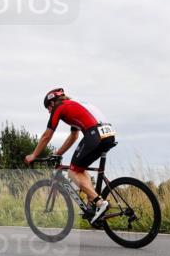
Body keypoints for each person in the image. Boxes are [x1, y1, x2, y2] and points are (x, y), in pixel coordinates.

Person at [24, 88, 116, 224]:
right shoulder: (73, 105)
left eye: (48, 107)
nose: (49, 111)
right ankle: (93, 205)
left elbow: (47, 135)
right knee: (80, 169)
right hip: (108, 134)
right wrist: (59, 152)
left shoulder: (59, 107)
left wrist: (33, 155)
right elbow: (74, 136)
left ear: (53, 103)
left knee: (72, 172)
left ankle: (100, 203)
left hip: (94, 134)